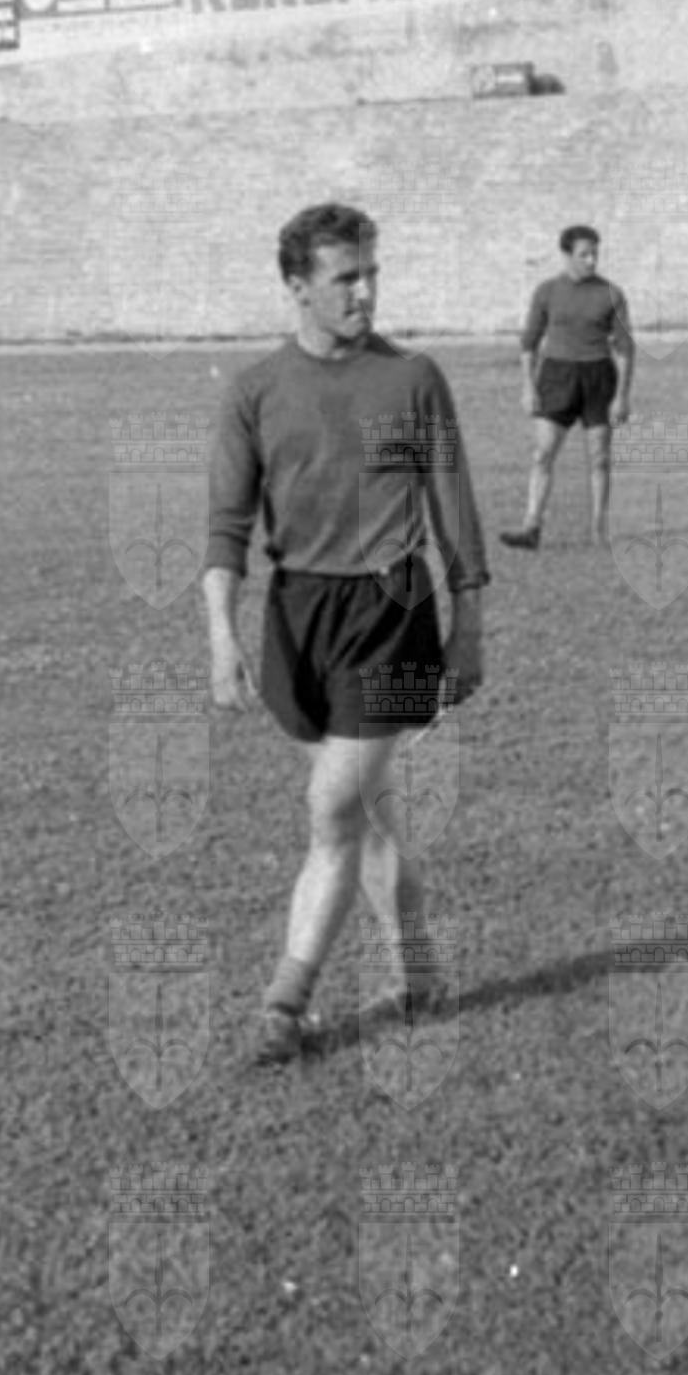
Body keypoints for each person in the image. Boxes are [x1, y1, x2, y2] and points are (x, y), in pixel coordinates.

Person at [203, 203, 489, 1066]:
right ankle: (422, 973)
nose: (366, 292)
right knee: (366, 815)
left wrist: (468, 627)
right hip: (298, 620)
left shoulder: (414, 380)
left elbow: (454, 509)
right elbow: (226, 528)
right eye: (346, 278)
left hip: (394, 614)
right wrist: (221, 635)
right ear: (298, 287)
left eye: (372, 274)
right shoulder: (255, 391)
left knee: (332, 811)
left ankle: (283, 1007)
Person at [499, 225, 634, 551]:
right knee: (543, 453)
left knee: (599, 458)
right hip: (557, 376)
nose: (591, 261)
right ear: (566, 255)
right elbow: (529, 343)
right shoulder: (547, 292)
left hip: (598, 378)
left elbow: (625, 349)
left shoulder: (612, 294)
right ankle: (531, 526)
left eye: (595, 254)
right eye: (584, 255)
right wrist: (528, 388)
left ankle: (599, 532)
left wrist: (621, 396)